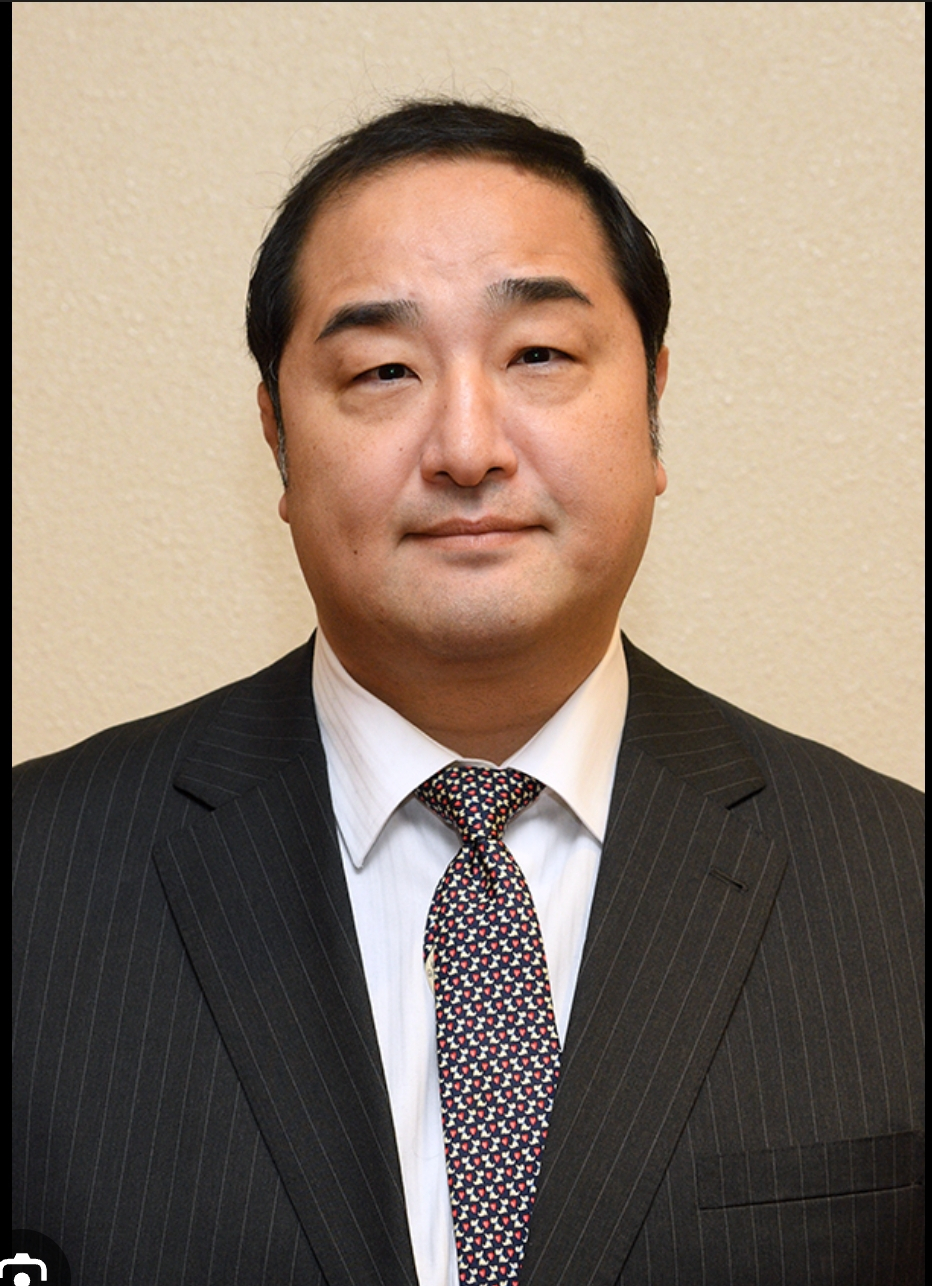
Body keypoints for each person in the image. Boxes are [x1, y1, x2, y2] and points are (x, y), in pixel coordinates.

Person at [12, 100, 923, 1286]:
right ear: (276, 437)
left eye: (536, 355)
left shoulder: (896, 884)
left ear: (651, 404)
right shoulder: (33, 879)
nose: (465, 446)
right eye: (382, 369)